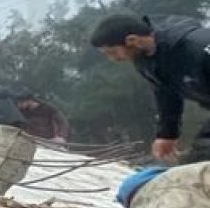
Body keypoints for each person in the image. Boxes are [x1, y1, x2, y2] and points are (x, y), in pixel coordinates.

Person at [90, 13, 210, 164]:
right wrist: (167, 135)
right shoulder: (145, 61)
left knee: (203, 153)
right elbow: (167, 95)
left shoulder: (195, 45)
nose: (113, 59)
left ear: (132, 40)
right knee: (197, 158)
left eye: (112, 52)